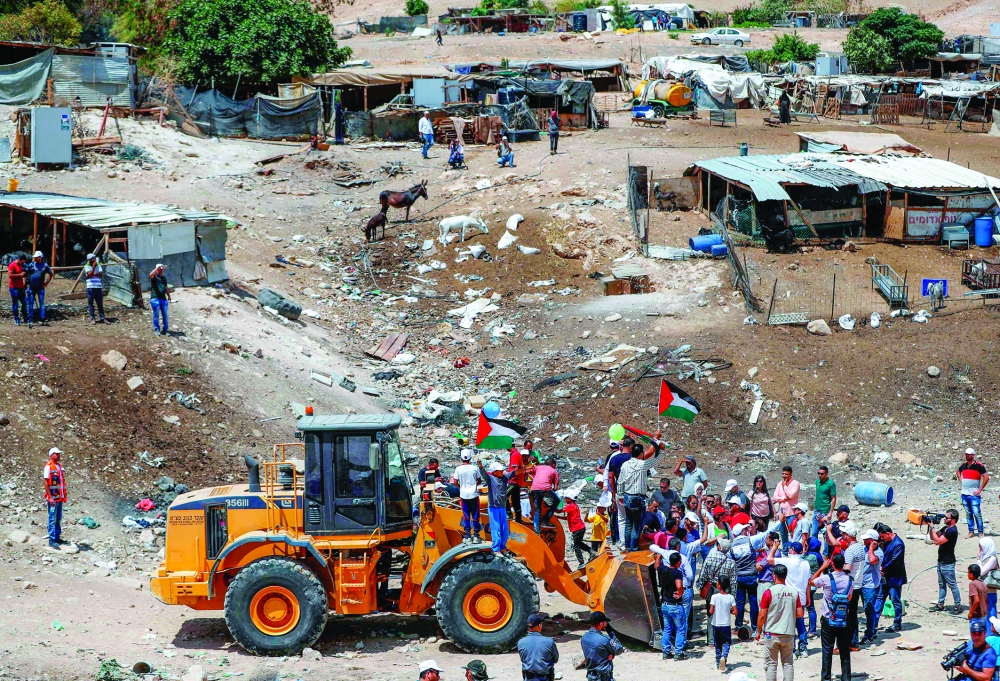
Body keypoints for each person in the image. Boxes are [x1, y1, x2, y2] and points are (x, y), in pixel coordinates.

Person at [617, 433, 665, 551]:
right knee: (636, 526)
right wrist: (662, 451)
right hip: (637, 498)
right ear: (641, 454)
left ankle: (627, 546)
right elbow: (655, 461)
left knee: (628, 523)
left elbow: (620, 481)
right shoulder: (642, 464)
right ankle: (633, 548)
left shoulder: (625, 465)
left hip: (627, 496)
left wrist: (620, 495)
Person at [757, 563, 803, 681]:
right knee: (788, 663)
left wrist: (758, 631)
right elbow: (800, 614)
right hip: (788, 633)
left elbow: (762, 615)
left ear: (774, 576)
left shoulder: (768, 592)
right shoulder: (794, 592)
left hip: (771, 634)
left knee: (771, 664)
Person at [811, 554, 853, 681]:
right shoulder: (849, 580)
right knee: (844, 650)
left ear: (832, 564)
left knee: (827, 650)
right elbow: (849, 598)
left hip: (828, 618)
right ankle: (846, 678)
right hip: (844, 618)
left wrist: (822, 567)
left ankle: (826, 678)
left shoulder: (826, 578)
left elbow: (811, 581)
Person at [770, 540, 813, 657]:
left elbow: (769, 559)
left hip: (789, 597)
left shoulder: (788, 561)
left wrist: (774, 548)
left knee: (790, 624)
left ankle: (792, 650)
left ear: (793, 550)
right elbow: (808, 582)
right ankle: (803, 648)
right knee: (801, 623)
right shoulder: (806, 563)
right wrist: (808, 596)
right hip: (802, 597)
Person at [699, 538, 737, 647]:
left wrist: (701, 587)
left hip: (712, 589)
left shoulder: (709, 558)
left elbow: (702, 575)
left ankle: (711, 640)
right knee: (725, 615)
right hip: (726, 590)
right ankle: (723, 639)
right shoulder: (731, 562)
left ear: (719, 547)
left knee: (711, 614)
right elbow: (734, 582)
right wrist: (732, 597)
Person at [731, 522, 766, 632]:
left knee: (740, 603)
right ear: (741, 532)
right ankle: (755, 626)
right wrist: (780, 522)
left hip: (739, 577)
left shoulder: (732, 545)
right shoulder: (749, 540)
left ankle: (739, 625)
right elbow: (766, 533)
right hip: (751, 576)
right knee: (753, 602)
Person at [874, 523, 906, 633]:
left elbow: (895, 561)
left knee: (895, 600)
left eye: (882, 536)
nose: (881, 539)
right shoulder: (887, 542)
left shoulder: (898, 544)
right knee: (880, 598)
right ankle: (874, 622)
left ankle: (897, 623)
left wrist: (883, 568)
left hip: (895, 577)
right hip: (885, 576)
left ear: (888, 534)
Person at [930, 509, 963, 613]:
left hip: (948, 562)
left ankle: (958, 606)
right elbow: (933, 537)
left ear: (953, 520)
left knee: (952, 585)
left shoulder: (952, 531)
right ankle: (940, 604)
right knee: (941, 584)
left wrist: (932, 527)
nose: (945, 519)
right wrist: (931, 527)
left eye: (947, 517)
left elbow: (938, 541)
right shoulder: (946, 528)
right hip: (941, 561)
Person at [479, 461, 515, 554]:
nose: (502, 471)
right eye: (500, 470)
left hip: (502, 507)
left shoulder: (505, 478)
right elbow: (484, 475)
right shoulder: (490, 479)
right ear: (494, 472)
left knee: (504, 529)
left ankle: (503, 547)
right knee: (496, 528)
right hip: (493, 508)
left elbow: (515, 472)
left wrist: (527, 469)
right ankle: (496, 549)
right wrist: (481, 467)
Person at [837, 521, 863, 649]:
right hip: (858, 584)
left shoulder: (850, 550)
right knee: (852, 615)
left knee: (843, 615)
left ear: (848, 535)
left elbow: (847, 569)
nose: (841, 535)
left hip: (849, 587)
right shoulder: (860, 547)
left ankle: (844, 643)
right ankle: (854, 642)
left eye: (843, 533)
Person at [580, 611, 624, 681]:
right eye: (605, 622)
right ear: (601, 624)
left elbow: (595, 652)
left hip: (591, 676)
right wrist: (611, 632)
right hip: (603, 677)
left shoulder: (584, 638)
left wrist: (610, 654)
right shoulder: (604, 639)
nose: (606, 624)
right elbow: (619, 649)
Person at [659, 552, 687, 660]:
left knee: (667, 629)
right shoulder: (677, 573)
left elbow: (657, 566)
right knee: (680, 629)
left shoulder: (664, 570)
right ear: (679, 562)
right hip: (675, 606)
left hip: (665, 605)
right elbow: (679, 585)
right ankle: (678, 653)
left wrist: (658, 556)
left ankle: (666, 652)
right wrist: (681, 592)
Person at [858, 529, 884, 645]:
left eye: (867, 539)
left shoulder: (878, 552)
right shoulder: (863, 549)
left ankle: (870, 633)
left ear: (873, 541)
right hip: (860, 583)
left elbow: (873, 560)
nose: (864, 540)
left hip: (870, 585)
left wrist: (872, 548)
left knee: (869, 609)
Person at [452, 450, 483, 543]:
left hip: (464, 496)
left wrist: (461, 487)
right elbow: (479, 481)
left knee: (466, 516)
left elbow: (455, 482)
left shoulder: (458, 469)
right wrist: (474, 485)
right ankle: (476, 536)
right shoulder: (474, 468)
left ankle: (468, 536)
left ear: (461, 458)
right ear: (470, 458)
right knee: (475, 516)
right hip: (474, 495)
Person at [518, 613, 558, 681]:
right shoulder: (549, 641)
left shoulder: (520, 643)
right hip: (545, 677)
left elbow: (523, 659)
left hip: (528, 678)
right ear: (539, 625)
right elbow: (555, 659)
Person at [959, 448, 989, 538]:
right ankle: (971, 531)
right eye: (966, 454)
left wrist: (980, 489)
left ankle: (980, 532)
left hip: (974, 494)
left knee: (977, 513)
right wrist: (961, 479)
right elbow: (958, 471)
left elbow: (986, 477)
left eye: (969, 454)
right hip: (964, 493)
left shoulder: (979, 466)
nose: (967, 456)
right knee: (968, 513)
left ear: (973, 455)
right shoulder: (964, 465)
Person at [710, 574, 737, 671]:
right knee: (726, 642)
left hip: (716, 624)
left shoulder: (714, 597)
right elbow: (735, 611)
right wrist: (728, 611)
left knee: (717, 644)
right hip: (726, 624)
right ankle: (724, 657)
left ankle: (718, 663)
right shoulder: (730, 597)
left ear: (719, 585)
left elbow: (711, 611)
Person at [560, 491, 593, 567]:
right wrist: (557, 517)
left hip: (577, 529)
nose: (565, 499)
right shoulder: (575, 506)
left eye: (566, 498)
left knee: (576, 546)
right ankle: (591, 551)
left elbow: (560, 510)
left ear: (569, 499)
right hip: (581, 527)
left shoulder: (570, 506)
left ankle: (581, 563)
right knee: (579, 543)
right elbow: (568, 518)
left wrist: (551, 509)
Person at [43, 447, 66, 549]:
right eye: (57, 454)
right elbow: (46, 483)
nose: (59, 456)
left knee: (58, 518)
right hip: (53, 497)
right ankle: (51, 539)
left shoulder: (59, 466)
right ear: (52, 455)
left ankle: (57, 536)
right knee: (52, 517)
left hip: (59, 497)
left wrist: (63, 495)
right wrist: (50, 497)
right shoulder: (48, 467)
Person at [531, 456, 560, 533]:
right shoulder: (554, 470)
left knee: (537, 509)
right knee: (557, 501)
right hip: (545, 490)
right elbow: (556, 487)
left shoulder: (538, 467)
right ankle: (545, 520)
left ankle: (536, 530)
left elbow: (529, 471)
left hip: (534, 489)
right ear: (553, 465)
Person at [26, 251, 52, 325]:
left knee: (41, 303)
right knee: (30, 303)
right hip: (32, 287)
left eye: (36, 257)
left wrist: (46, 283)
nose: (35, 258)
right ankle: (30, 317)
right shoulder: (32, 264)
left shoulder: (45, 266)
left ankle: (42, 317)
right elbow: (26, 272)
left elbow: (50, 274)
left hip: (40, 287)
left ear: (40, 257)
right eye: (35, 257)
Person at [507, 441, 530, 523]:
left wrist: (507, 475)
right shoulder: (515, 453)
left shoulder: (514, 454)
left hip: (513, 481)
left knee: (502, 496)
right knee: (515, 502)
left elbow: (515, 470)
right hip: (517, 482)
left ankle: (508, 514)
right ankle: (518, 519)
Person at [813, 466, 837, 541]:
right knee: (814, 532)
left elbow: (833, 498)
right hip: (817, 510)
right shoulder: (817, 482)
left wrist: (830, 512)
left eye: (822, 474)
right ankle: (814, 549)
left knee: (826, 533)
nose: (820, 475)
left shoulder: (831, 484)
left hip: (826, 511)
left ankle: (826, 552)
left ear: (826, 474)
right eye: (819, 473)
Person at [84, 253, 110, 325]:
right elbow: (89, 274)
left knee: (100, 303)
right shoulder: (87, 266)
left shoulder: (98, 264)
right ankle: (92, 318)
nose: (93, 259)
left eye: (94, 258)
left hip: (98, 287)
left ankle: (102, 318)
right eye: (92, 258)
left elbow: (100, 274)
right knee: (90, 303)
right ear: (89, 260)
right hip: (90, 287)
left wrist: (93, 274)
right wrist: (93, 268)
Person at [979, 537, 999, 620]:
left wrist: (978, 561)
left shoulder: (992, 558)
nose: (980, 548)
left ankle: (992, 631)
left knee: (990, 610)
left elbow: (982, 572)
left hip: (990, 589)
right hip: (983, 588)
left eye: (981, 546)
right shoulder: (985, 556)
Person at [149, 263, 171, 335]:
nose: (161, 270)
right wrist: (156, 269)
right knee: (156, 314)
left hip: (163, 299)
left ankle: (165, 330)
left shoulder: (164, 278)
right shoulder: (154, 277)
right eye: (159, 269)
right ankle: (157, 329)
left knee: (165, 315)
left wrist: (169, 296)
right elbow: (150, 275)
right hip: (155, 299)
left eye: (162, 269)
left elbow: (166, 287)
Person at [7, 252, 28, 326]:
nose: (23, 263)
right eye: (22, 261)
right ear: (19, 259)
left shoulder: (21, 265)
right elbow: (10, 275)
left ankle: (25, 317)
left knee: (25, 302)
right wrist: (20, 275)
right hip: (14, 287)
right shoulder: (12, 265)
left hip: (21, 287)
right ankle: (16, 318)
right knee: (15, 304)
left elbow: (24, 274)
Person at [970, 565, 988, 630]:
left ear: (971, 574)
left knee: (975, 636)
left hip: (976, 615)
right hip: (984, 615)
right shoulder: (983, 583)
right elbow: (986, 600)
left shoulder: (972, 584)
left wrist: (971, 613)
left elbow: (976, 600)